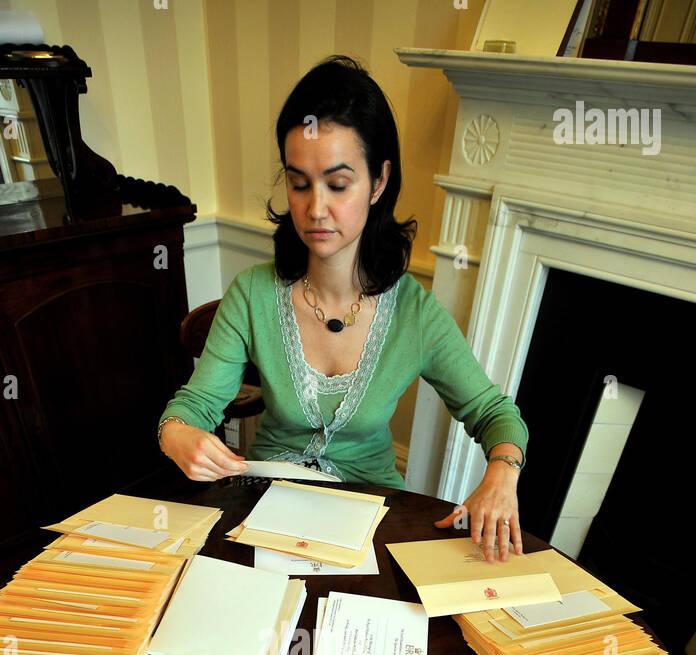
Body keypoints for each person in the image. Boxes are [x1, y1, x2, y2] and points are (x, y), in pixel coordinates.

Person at [157, 56, 527, 562]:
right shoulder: (252, 294)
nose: (315, 209)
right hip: (265, 509)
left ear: (378, 182)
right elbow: (194, 407)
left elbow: (493, 413)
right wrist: (176, 434)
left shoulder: (415, 315)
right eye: (299, 183)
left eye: (337, 183)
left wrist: (502, 473)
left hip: (372, 517)